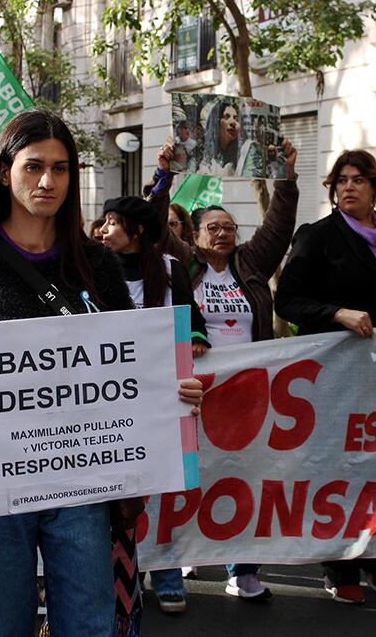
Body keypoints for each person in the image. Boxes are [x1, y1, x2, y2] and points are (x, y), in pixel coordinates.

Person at [0, 109, 203, 637]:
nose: (48, 181)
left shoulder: (96, 262)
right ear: (5, 172)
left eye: (61, 168)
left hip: (83, 480)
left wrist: (173, 389)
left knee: (89, 624)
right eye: (33, 167)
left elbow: (130, 357)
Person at [153, 137, 299, 600]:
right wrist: (164, 176)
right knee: (191, 474)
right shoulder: (183, 265)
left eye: (229, 227)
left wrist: (287, 176)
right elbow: (154, 226)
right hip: (193, 391)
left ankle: (243, 568)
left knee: (244, 473)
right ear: (194, 236)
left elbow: (279, 225)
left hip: (246, 392)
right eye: (212, 227)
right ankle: (187, 553)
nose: (222, 234)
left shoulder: (251, 264)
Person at [274, 149, 376, 605]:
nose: (348, 187)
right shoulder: (318, 236)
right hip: (337, 375)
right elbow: (288, 300)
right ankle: (340, 566)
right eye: (341, 180)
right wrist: (337, 313)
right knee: (341, 467)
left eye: (359, 179)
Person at [97, 195, 209, 614]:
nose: (104, 231)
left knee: (160, 489)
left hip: (160, 397)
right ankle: (118, 577)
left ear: (138, 230)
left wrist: (197, 336)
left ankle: (165, 576)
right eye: (104, 222)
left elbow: (190, 317)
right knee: (116, 492)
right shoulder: (90, 269)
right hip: (107, 402)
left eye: (113, 223)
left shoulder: (170, 269)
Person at [197, 99, 261, 177]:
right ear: (216, 123)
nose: (233, 122)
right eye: (227, 117)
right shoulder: (201, 151)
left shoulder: (249, 149)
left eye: (236, 118)